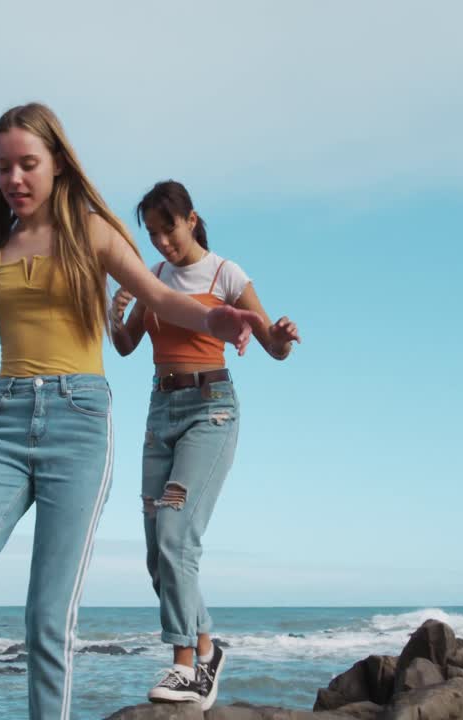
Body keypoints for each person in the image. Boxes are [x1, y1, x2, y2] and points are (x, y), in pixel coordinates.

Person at [0, 105, 264, 720]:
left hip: (78, 422)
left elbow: (161, 294)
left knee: (47, 615)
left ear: (57, 164)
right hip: (4, 424)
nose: (14, 178)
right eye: (3, 167)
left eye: (28, 164)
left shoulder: (93, 232)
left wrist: (217, 316)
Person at [108, 180, 299, 710]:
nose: (161, 243)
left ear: (191, 219)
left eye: (167, 229)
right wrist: (114, 308)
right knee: (157, 553)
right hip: (158, 413)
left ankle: (185, 665)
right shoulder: (154, 279)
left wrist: (280, 333)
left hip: (210, 409)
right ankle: (209, 648)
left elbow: (271, 347)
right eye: (151, 234)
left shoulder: (226, 274)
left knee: (175, 531)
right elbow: (125, 347)